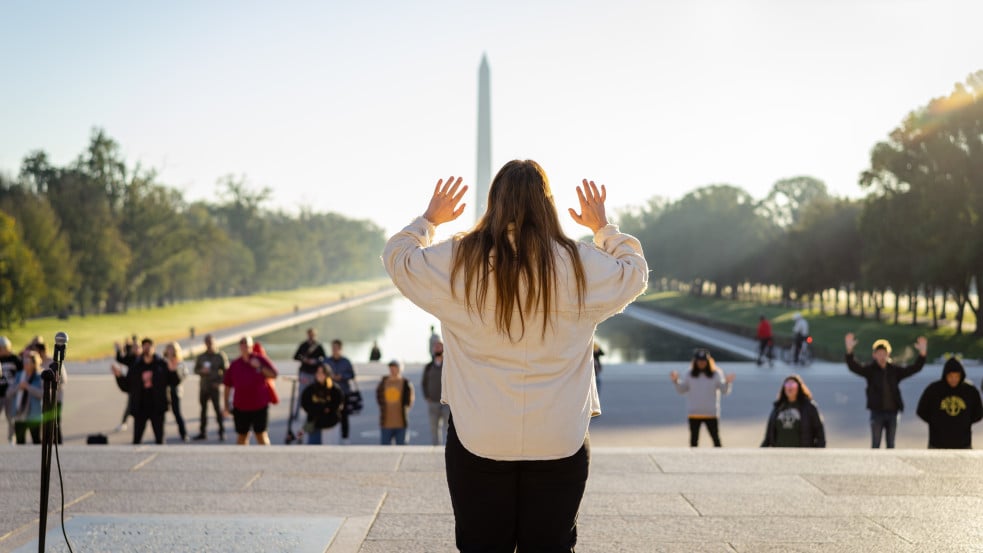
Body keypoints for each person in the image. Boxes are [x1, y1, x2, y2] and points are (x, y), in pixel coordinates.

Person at [383, 163, 648, 552]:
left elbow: (398, 258)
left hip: (479, 434)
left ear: (493, 203)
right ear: (548, 205)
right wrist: (603, 228)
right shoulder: (578, 263)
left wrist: (429, 220)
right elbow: (634, 273)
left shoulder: (458, 260)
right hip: (560, 435)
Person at [845, 333, 927, 449]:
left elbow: (913, 369)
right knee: (875, 444)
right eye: (879, 354)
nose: (882, 357)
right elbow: (854, 366)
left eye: (884, 354)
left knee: (891, 444)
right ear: (874, 355)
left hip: (893, 412)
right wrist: (849, 350)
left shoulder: (894, 370)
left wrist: (922, 353)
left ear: (888, 354)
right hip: (877, 412)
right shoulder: (870, 370)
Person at [112, 337, 180, 444]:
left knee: (160, 440)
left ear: (154, 348)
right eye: (145, 346)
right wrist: (119, 377)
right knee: (136, 440)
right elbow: (127, 387)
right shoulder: (136, 366)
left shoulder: (161, 365)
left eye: (149, 346)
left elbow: (174, 382)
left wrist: (173, 371)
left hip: (157, 407)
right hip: (140, 408)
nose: (147, 349)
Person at [670, 348, 735, 447]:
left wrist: (727, 382)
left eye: (704, 361)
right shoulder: (689, 374)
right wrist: (676, 381)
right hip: (694, 413)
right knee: (693, 441)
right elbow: (682, 390)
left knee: (716, 440)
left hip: (711, 413)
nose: (701, 363)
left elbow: (724, 391)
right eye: (699, 361)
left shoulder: (716, 374)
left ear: (708, 361)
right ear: (695, 361)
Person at [915, 357, 983, 449]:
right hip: (937, 444)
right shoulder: (933, 390)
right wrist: (936, 422)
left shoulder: (970, 391)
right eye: (950, 376)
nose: (953, 379)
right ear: (945, 375)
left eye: (956, 376)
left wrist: (964, 421)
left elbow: (978, 413)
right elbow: (921, 411)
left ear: (961, 375)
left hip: (963, 444)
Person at [223, 336, 278, 446]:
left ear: (251, 346)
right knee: (242, 436)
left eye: (247, 345)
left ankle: (267, 458)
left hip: (259, 405)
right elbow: (227, 386)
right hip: (241, 406)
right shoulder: (235, 364)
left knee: (261, 435)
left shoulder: (260, 359)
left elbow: (274, 374)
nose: (245, 348)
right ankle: (242, 460)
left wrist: (260, 367)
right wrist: (226, 405)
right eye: (242, 345)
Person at [761, 374, 826, 447]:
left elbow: (820, 434)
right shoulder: (777, 407)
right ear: (784, 388)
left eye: (793, 385)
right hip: (779, 454)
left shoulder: (809, 407)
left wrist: (817, 454)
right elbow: (769, 435)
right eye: (787, 385)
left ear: (799, 387)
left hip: (801, 455)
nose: (790, 387)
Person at [192, 334, 228, 441]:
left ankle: (221, 432)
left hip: (214, 386)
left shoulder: (220, 356)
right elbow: (195, 370)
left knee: (217, 410)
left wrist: (219, 382)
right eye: (207, 342)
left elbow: (226, 372)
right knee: (203, 410)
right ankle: (202, 432)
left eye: (210, 342)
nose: (209, 345)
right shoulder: (201, 356)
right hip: (204, 386)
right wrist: (201, 371)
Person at [300, 364, 345, 445]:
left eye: (322, 372)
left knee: (330, 447)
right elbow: (305, 403)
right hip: (315, 423)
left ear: (327, 374)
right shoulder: (311, 389)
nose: (320, 375)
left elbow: (338, 403)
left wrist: (328, 409)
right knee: (313, 447)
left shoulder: (334, 389)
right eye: (318, 372)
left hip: (330, 423)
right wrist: (318, 410)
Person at [6, 350, 42, 444]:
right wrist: (18, 387)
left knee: (36, 440)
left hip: (33, 415)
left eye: (28, 362)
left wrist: (28, 387)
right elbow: (8, 393)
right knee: (20, 441)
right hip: (19, 414)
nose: (25, 364)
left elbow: (42, 394)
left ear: (34, 363)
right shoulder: (19, 376)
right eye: (24, 362)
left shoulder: (39, 377)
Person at [324, 339, 356, 444]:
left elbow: (352, 375)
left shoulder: (346, 361)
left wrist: (342, 377)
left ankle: (345, 437)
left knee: (344, 416)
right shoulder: (326, 361)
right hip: (330, 393)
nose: (334, 350)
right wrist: (331, 377)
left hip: (344, 392)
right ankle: (331, 438)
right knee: (330, 415)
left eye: (336, 348)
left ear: (340, 349)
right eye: (333, 348)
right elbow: (321, 374)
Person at [292, 328, 327, 426]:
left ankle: (314, 413)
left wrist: (315, 361)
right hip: (304, 373)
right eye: (309, 334)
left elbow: (324, 358)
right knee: (301, 393)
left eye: (313, 334)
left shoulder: (319, 346)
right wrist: (304, 359)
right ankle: (296, 414)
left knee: (315, 393)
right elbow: (295, 356)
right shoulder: (303, 345)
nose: (311, 336)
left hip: (315, 374)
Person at [376, 359, 414, 445]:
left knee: (401, 447)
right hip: (385, 422)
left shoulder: (405, 383)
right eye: (391, 368)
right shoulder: (383, 382)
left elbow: (409, 401)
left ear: (400, 369)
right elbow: (379, 398)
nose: (393, 370)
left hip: (401, 423)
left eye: (395, 367)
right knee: (385, 449)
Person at [421, 341, 450, 445]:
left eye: (440, 347)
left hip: (446, 403)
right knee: (434, 429)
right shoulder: (428, 367)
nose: (437, 349)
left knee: (448, 429)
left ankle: (447, 450)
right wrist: (426, 396)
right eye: (436, 347)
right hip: (433, 403)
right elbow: (424, 383)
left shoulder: (449, 365)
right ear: (433, 350)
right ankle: (436, 448)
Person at [163, 342, 190, 442]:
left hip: (175, 392)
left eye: (172, 349)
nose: (170, 351)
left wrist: (174, 369)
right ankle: (161, 435)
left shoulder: (179, 362)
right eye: (169, 348)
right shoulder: (163, 362)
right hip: (164, 392)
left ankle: (184, 434)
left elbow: (183, 377)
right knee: (161, 414)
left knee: (177, 413)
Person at [0, 336, 24, 444]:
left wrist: (16, 387)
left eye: (2, 348)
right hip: (0, 393)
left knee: (10, 417)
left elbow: (22, 375)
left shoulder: (15, 359)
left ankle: (11, 439)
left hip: (11, 393)